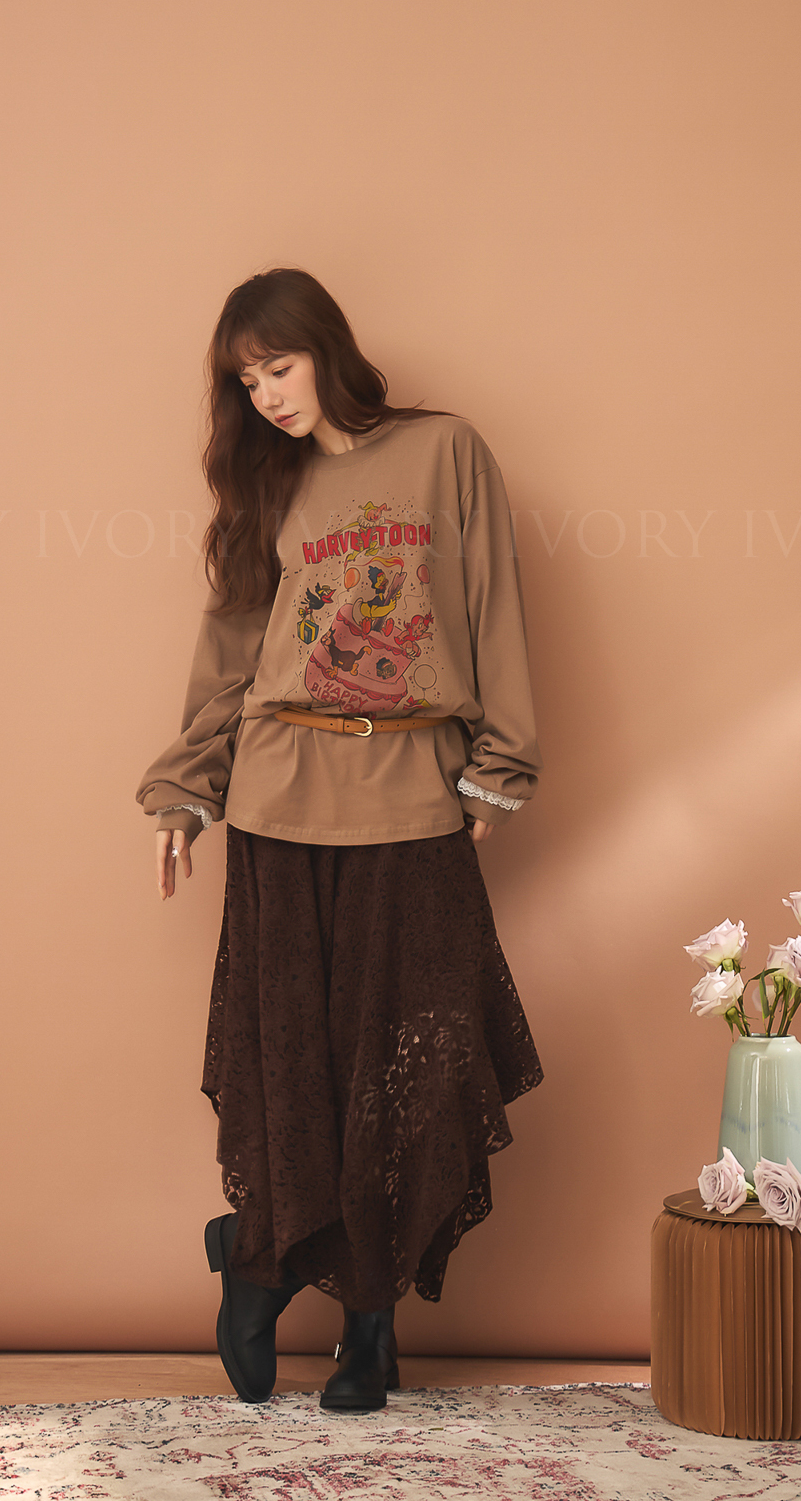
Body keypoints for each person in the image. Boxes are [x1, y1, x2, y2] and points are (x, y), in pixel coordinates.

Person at [136, 266, 543, 1413]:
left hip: (408, 791)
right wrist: (185, 793)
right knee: (293, 1066)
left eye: (279, 366)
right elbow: (229, 657)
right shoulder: (264, 485)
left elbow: (494, 604)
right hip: (276, 800)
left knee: (402, 1069)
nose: (266, 395)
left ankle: (360, 1318)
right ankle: (269, 1268)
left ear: (327, 349)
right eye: (246, 380)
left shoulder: (444, 450)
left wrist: (500, 763)